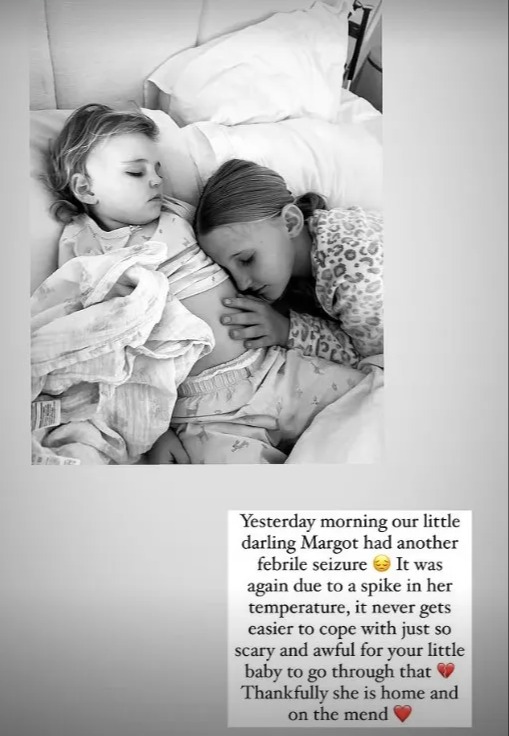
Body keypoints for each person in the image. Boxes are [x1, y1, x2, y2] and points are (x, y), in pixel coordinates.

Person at [45, 104, 367, 464]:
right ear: (85, 188)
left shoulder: (180, 214)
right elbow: (99, 345)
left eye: (157, 169)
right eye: (136, 172)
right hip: (204, 410)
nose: (155, 179)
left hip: (275, 366)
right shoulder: (84, 247)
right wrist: (154, 430)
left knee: (373, 402)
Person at [193, 158, 383, 367]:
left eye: (247, 260)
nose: (241, 284)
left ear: (291, 222)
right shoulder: (328, 229)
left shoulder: (356, 274)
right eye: (227, 271)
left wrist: (286, 330)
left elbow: (372, 356)